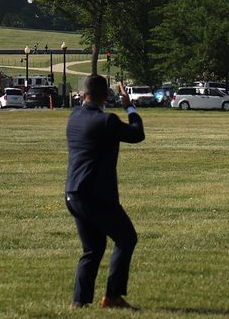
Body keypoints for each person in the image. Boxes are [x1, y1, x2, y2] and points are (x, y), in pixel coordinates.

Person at [64, 73, 144, 309]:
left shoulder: (74, 116)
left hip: (73, 192)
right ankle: (113, 297)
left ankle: (79, 301)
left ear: (85, 94)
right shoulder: (107, 121)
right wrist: (129, 107)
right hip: (96, 195)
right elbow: (137, 134)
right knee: (126, 238)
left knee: (93, 248)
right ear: (105, 97)